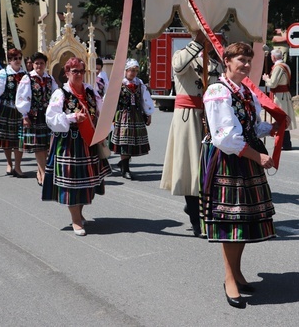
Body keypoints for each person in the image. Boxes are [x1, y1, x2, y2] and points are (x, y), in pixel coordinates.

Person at [201, 42, 277, 309]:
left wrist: (272, 127)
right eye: (241, 60)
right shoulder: (217, 91)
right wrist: (258, 157)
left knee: (244, 220)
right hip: (230, 159)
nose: (246, 64)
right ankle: (229, 278)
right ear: (227, 62)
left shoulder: (245, 90)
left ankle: (238, 273)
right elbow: (225, 137)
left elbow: (251, 126)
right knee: (231, 221)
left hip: (246, 157)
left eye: (249, 60)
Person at [43, 57, 111, 236]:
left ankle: (79, 214)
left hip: (88, 142)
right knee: (72, 183)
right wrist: (71, 118)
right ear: (67, 73)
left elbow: (101, 112)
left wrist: (102, 130)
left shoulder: (90, 91)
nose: (79, 74)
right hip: (70, 143)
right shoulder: (60, 94)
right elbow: (51, 119)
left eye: (81, 71)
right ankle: (75, 220)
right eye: (75, 71)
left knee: (85, 183)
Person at [160, 31, 218, 237]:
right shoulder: (182, 54)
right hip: (187, 117)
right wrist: (197, 43)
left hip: (209, 117)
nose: (209, 43)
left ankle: (202, 212)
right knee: (190, 170)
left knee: (208, 169)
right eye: (206, 39)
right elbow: (179, 67)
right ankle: (196, 219)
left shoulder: (213, 63)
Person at [16, 52, 58, 186]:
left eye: (42, 63)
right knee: (39, 146)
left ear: (45, 65)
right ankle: (44, 173)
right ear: (32, 65)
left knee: (46, 146)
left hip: (48, 115)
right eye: (37, 63)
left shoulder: (50, 78)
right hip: (34, 116)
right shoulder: (27, 78)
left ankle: (40, 172)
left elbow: (56, 96)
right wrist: (25, 115)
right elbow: (22, 98)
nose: (39, 65)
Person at [110, 59, 154, 180]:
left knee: (133, 142)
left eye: (135, 71)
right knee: (125, 142)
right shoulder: (119, 83)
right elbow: (110, 100)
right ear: (125, 70)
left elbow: (145, 100)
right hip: (123, 115)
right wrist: (109, 117)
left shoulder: (139, 84)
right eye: (131, 70)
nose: (133, 73)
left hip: (136, 115)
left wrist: (148, 113)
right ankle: (125, 169)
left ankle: (124, 164)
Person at [0, 49, 27, 176]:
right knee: (7, 139)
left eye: (19, 58)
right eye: (15, 58)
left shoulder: (25, 75)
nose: (18, 60)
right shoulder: (3, 74)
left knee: (20, 139)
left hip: (20, 111)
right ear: (9, 60)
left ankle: (18, 166)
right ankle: (9, 163)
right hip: (6, 109)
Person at [262, 48, 297, 150]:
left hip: (279, 96)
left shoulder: (278, 67)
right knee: (283, 119)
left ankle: (285, 143)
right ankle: (285, 143)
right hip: (284, 95)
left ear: (273, 57)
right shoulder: (285, 66)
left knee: (280, 119)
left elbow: (273, 84)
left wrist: (266, 79)